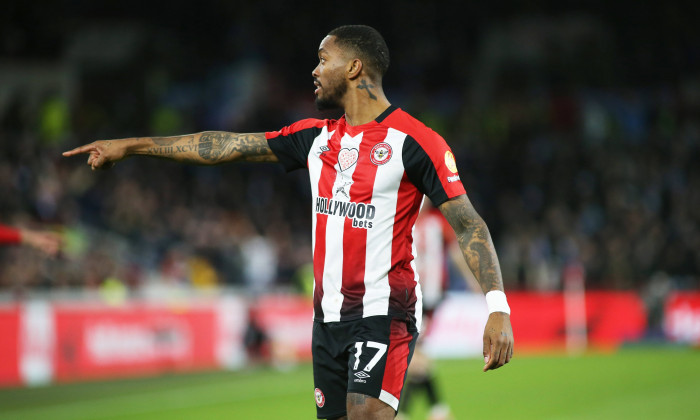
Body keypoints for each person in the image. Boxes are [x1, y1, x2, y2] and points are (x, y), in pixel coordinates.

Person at [63, 25, 513, 420]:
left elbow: (470, 225)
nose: (314, 70)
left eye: (323, 59)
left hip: (384, 314)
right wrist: (133, 145)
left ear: (355, 67)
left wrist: (497, 307)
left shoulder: (417, 142)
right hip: (327, 321)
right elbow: (225, 146)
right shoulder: (314, 139)